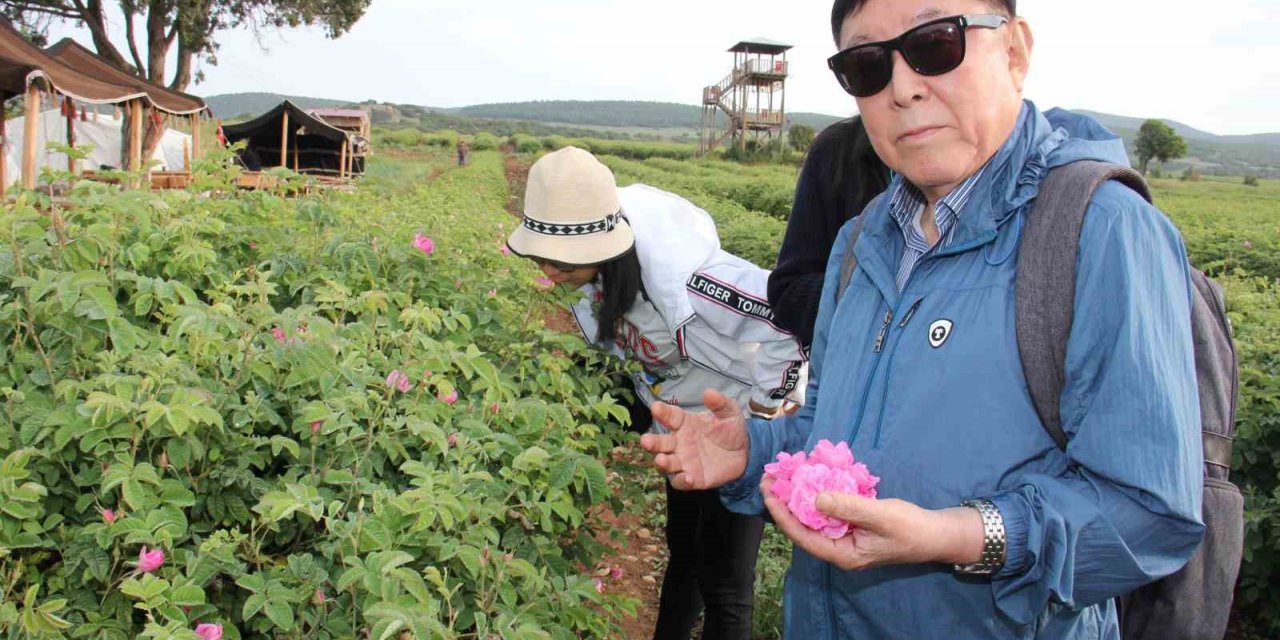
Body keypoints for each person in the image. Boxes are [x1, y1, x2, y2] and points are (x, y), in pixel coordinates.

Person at [640, 1, 1206, 638]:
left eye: (937, 43)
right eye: (867, 65)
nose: (903, 88)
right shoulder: (861, 241)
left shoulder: (1100, 231)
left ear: (1014, 50)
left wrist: (958, 536)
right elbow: (832, 430)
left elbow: (1148, 513)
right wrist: (753, 451)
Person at [506, 146, 806, 640]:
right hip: (683, 423)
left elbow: (788, 324)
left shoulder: (689, 279)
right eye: (541, 257)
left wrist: (758, 416)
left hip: (735, 425)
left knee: (726, 582)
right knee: (684, 552)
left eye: (559, 261)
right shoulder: (606, 274)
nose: (548, 271)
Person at [767, 116, 890, 349]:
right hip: (850, 363)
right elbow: (788, 291)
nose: (904, 96)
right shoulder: (838, 151)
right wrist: (867, 299)